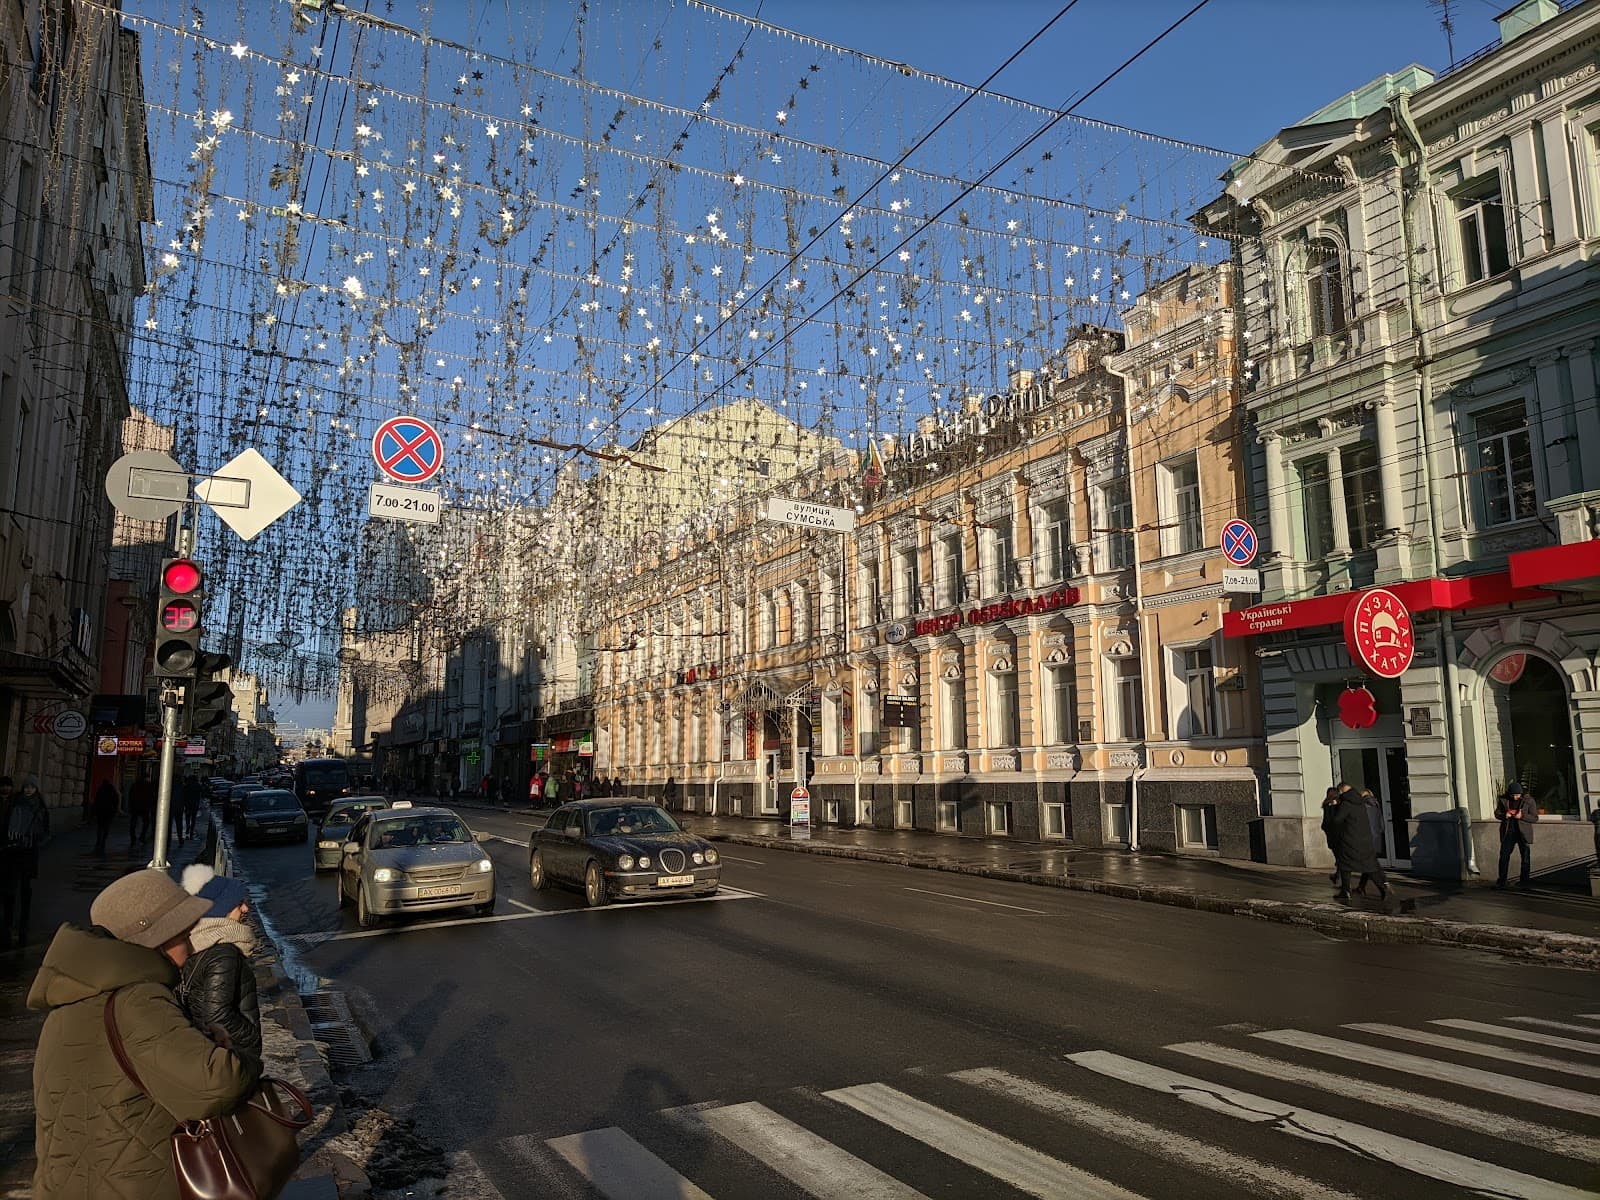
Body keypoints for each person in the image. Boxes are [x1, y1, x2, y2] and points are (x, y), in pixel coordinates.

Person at [29, 869, 260, 1198]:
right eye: (183, 932)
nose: (189, 942)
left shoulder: (65, 1005)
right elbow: (218, 1083)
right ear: (159, 939)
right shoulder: (138, 1000)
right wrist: (238, 1057)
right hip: (133, 1186)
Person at [179, 866, 261, 1065]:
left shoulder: (195, 942)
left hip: (208, 1052)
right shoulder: (224, 954)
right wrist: (252, 1040)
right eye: (238, 904)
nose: (245, 909)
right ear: (219, 910)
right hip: (231, 1056)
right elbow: (217, 1015)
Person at [1, 776, 50, 949]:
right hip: (13, 852)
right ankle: (8, 925)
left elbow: (45, 830)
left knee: (25, 888)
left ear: (36, 789)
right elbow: (7, 824)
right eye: (26, 787)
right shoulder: (15, 804)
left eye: (32, 787)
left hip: (29, 853)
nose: (29, 790)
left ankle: (24, 923)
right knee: (10, 889)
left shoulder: (40, 807)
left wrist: (34, 840)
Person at [1321, 784, 1385, 901]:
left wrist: (1332, 808)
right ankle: (1382, 889)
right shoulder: (1361, 803)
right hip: (1364, 839)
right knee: (1369, 867)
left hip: (1350, 840)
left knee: (1345, 865)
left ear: (1341, 791)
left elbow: (1336, 821)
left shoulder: (1346, 804)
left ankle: (1345, 892)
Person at [1495, 780, 1539, 889]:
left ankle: (1524, 882)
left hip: (1523, 833)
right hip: (1508, 832)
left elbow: (1535, 817)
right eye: (1513, 795)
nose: (1515, 797)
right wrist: (1504, 815)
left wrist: (1522, 816)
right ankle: (1502, 881)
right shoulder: (1503, 800)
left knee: (1525, 858)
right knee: (1504, 856)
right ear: (1509, 794)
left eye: (1518, 795)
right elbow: (1497, 813)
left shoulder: (1529, 801)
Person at [1352, 789, 1389, 898]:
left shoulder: (1363, 806)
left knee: (1369, 865)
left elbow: (1360, 824)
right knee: (1368, 863)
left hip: (1366, 840)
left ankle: (1382, 887)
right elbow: (1381, 826)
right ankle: (1361, 887)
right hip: (1376, 839)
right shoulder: (1376, 805)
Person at [91, 780, 120, 859]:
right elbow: (116, 801)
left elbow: (96, 801)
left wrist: (94, 811)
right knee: (106, 827)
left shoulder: (100, 790)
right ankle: (103, 840)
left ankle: (99, 840)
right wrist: (115, 811)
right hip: (109, 812)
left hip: (101, 811)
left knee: (100, 827)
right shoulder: (113, 791)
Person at [127, 773, 155, 848]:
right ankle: (142, 837)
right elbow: (151, 796)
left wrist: (130, 806)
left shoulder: (135, 785)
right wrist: (151, 805)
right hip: (144, 807)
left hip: (135, 806)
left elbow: (131, 796)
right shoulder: (148, 786)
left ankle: (133, 838)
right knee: (146, 822)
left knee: (133, 822)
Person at [1319, 786, 1341, 884]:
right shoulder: (1336, 805)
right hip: (1338, 835)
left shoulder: (1328, 805)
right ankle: (1338, 877)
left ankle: (1337, 876)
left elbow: (1325, 823)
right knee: (1340, 858)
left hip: (1332, 836)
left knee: (1339, 858)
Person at [180, 774, 203, 843]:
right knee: (193, 818)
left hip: (188, 804)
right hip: (194, 804)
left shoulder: (187, 785)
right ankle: (191, 830)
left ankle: (188, 828)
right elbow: (200, 795)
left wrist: (184, 803)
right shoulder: (198, 785)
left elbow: (183, 795)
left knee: (188, 816)